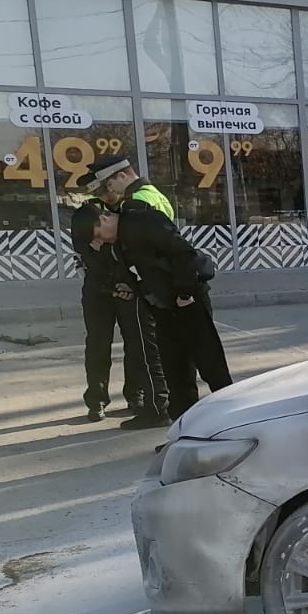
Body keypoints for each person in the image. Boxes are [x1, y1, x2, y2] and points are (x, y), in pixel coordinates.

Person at [92, 203, 231, 420]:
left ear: (104, 219)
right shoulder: (119, 244)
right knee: (175, 373)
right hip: (164, 310)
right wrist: (132, 290)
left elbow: (184, 253)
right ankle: (183, 430)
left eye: (98, 234)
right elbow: (146, 272)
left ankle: (233, 418)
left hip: (188, 301)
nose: (100, 240)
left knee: (211, 366)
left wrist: (184, 294)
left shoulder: (146, 221)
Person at [72, 198, 170, 429]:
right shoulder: (85, 222)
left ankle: (136, 396)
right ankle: (96, 399)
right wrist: (109, 283)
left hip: (128, 287)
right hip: (98, 291)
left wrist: (127, 287)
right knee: (97, 344)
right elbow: (88, 261)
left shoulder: (118, 217)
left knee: (136, 343)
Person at [85, 156, 174, 220]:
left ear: (122, 176)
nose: (110, 190)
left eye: (110, 184)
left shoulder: (134, 200)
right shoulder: (156, 194)